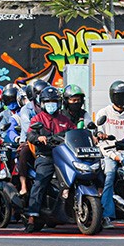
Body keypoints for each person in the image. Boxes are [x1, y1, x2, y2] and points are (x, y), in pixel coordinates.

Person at [23, 86, 73, 232]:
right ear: (42, 103)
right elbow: (30, 135)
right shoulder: (37, 119)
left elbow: (74, 132)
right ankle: (32, 215)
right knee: (40, 182)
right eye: (48, 101)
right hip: (46, 156)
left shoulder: (65, 119)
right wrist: (39, 137)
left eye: (54, 101)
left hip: (64, 156)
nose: (51, 104)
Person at [94, 80, 124, 229]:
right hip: (108, 153)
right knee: (109, 175)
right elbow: (100, 137)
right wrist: (113, 155)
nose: (122, 100)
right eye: (119, 96)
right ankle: (106, 215)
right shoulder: (103, 113)